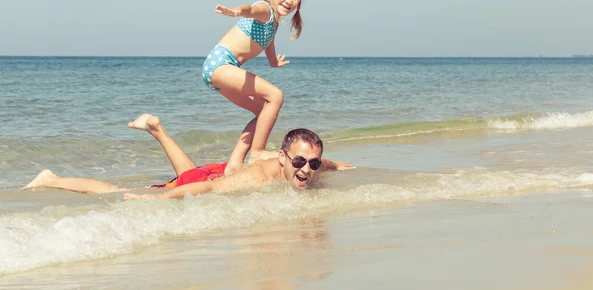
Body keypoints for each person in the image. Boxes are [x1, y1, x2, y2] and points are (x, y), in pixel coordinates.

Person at [24, 114, 355, 199]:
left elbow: (322, 162)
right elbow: (208, 190)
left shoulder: (310, 165)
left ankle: (158, 130)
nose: (306, 170)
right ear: (282, 158)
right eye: (298, 162)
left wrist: (336, 165)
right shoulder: (258, 175)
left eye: (312, 163)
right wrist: (163, 198)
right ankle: (51, 179)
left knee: (190, 172)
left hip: (212, 172)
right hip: (211, 180)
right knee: (118, 193)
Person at [205, 0, 307, 176]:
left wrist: (273, 62)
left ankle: (235, 163)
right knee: (275, 95)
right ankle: (258, 152)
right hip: (220, 65)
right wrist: (235, 12)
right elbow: (250, 9)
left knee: (262, 112)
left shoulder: (273, 22)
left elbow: (268, 43)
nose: (289, 0)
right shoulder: (265, 10)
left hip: (218, 71)